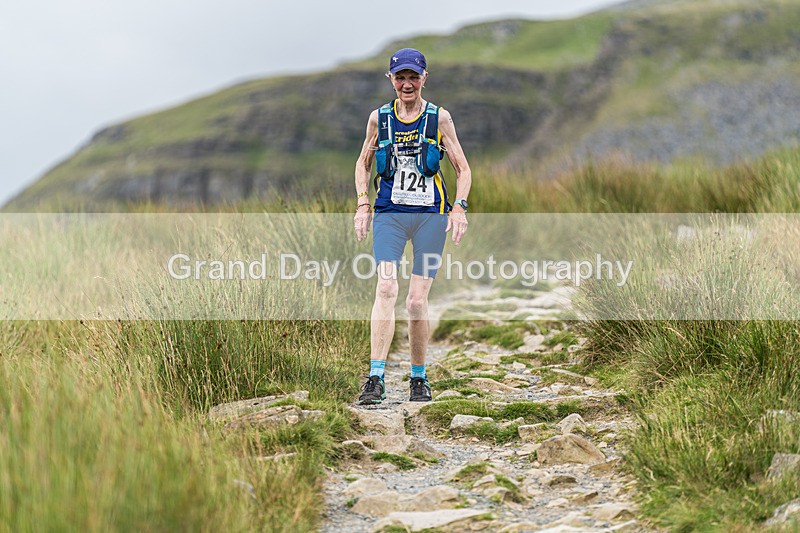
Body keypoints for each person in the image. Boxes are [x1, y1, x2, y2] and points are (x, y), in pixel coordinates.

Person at [353, 48, 472, 404]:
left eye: (413, 77)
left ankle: (419, 378)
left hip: (430, 217)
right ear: (390, 79)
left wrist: (459, 208)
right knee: (386, 288)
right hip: (389, 214)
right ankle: (375, 378)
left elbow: (463, 168)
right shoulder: (379, 119)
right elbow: (363, 163)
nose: (407, 84)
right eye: (400, 77)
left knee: (417, 302)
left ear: (424, 78)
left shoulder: (439, 118)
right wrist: (363, 203)